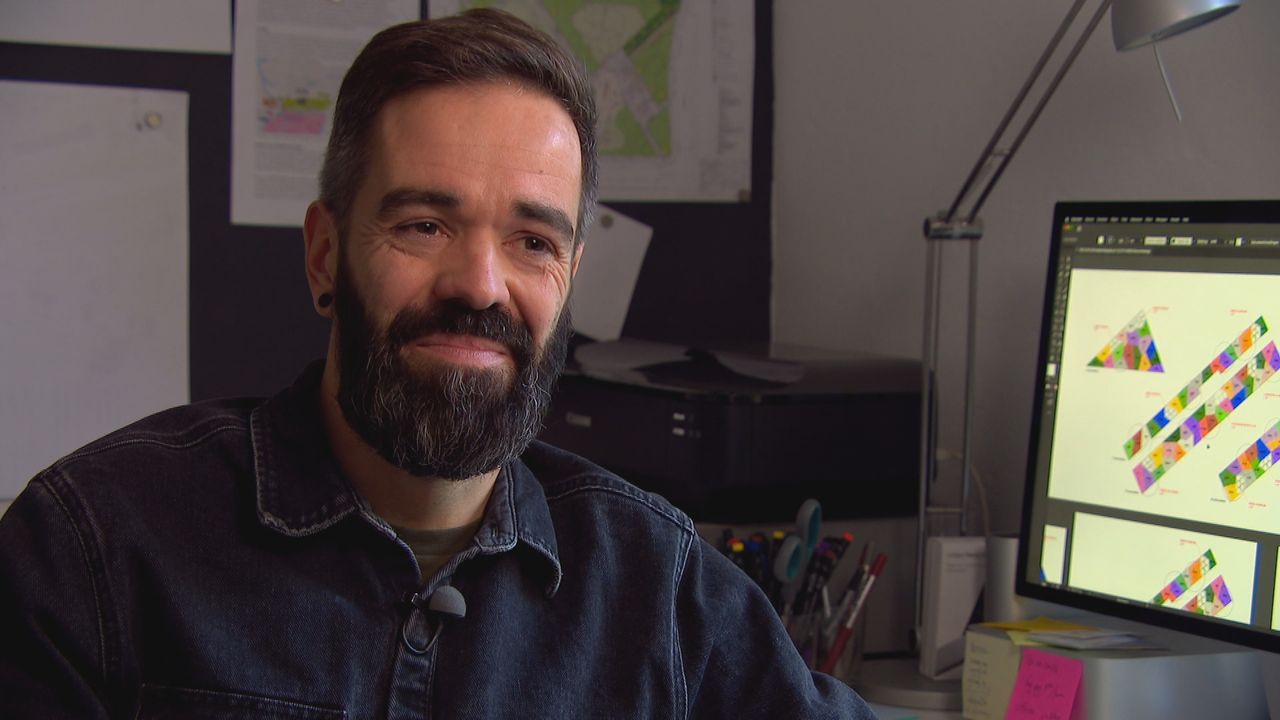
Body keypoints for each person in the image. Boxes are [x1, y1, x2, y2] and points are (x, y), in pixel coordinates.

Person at [0, 10, 876, 718]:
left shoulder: (662, 590)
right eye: (425, 225)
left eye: (533, 241)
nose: (480, 286)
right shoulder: (95, 548)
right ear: (323, 255)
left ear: (567, 279)